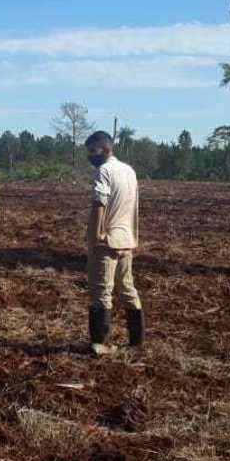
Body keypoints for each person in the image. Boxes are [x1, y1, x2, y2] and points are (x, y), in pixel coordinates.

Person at [84, 131, 143, 356]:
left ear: (106, 149)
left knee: (101, 292)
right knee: (127, 289)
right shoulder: (129, 171)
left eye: (93, 151)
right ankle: (137, 342)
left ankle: (100, 344)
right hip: (126, 239)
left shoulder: (104, 171)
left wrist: (95, 236)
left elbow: (99, 203)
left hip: (106, 241)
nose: (90, 156)